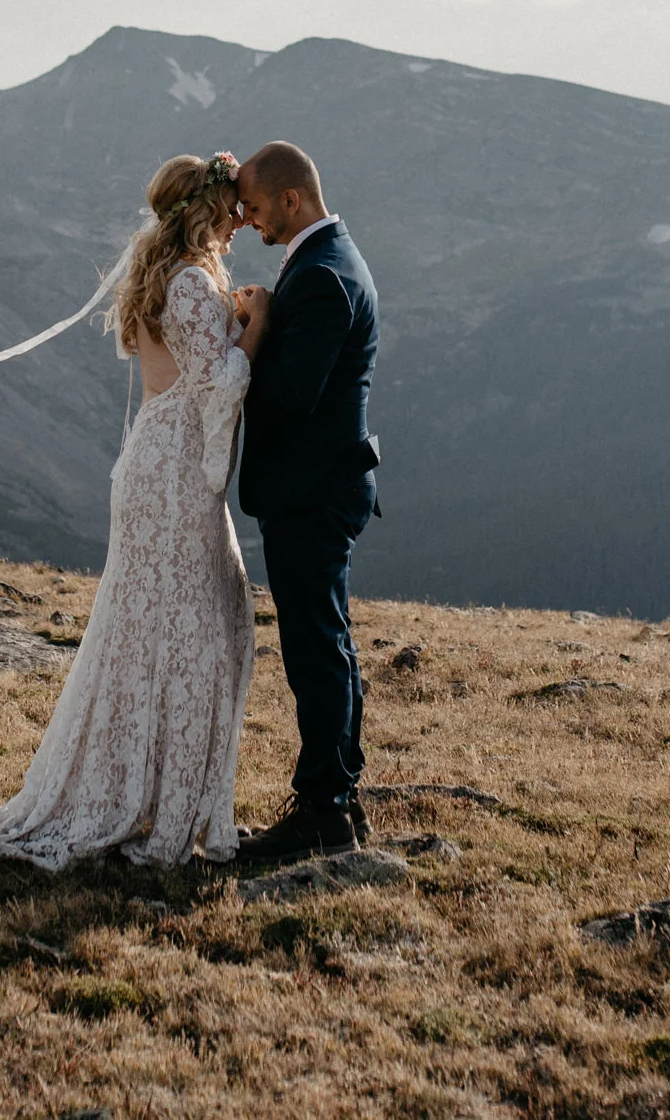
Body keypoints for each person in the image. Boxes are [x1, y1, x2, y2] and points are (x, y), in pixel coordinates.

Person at [0, 153, 261, 868]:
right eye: (232, 209)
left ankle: (149, 790)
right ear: (207, 209)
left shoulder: (172, 275)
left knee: (163, 625)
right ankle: (153, 805)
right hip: (175, 472)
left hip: (159, 460)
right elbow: (219, 384)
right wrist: (257, 326)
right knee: (198, 632)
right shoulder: (189, 281)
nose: (240, 223)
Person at [228, 140, 382, 863]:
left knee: (315, 649)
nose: (250, 222)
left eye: (256, 209)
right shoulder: (327, 261)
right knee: (328, 642)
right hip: (320, 486)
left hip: (314, 491)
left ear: (292, 201)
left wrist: (251, 337)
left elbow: (292, 396)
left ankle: (323, 807)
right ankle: (338, 798)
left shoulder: (323, 276)